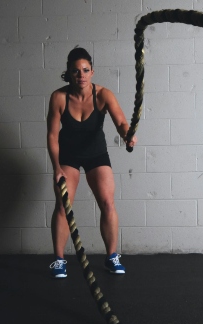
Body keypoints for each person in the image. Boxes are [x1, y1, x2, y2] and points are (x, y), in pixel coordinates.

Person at [46, 47, 137, 278]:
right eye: (76, 71)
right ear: (69, 73)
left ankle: (112, 256)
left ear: (92, 72)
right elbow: (52, 136)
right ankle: (58, 260)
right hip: (68, 157)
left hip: (96, 155)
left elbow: (121, 122)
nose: (81, 75)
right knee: (63, 205)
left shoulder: (103, 95)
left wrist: (128, 134)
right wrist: (56, 168)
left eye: (86, 70)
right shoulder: (59, 97)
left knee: (108, 202)